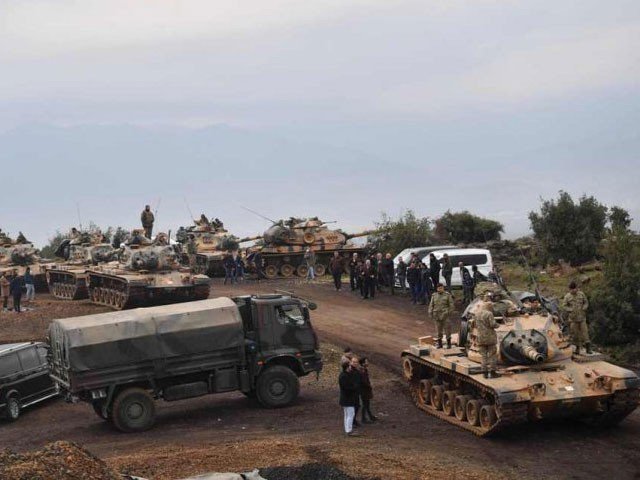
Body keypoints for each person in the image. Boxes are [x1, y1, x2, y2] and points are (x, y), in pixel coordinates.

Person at [562, 281, 591, 354]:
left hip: (582, 317)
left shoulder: (581, 294)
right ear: (569, 289)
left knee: (585, 333)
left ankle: (588, 348)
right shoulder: (567, 296)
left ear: (576, 288)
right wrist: (570, 310)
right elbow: (564, 306)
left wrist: (584, 308)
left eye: (574, 289)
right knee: (575, 334)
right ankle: (577, 348)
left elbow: (586, 302)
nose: (573, 290)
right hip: (573, 319)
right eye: (571, 289)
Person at [475, 294, 499, 378]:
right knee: (492, 354)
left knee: (483, 356)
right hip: (490, 338)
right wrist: (497, 325)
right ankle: (492, 372)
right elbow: (492, 324)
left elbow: (475, 325)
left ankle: (484, 372)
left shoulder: (477, 314)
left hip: (480, 337)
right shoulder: (489, 314)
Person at [339, 356, 362, 437]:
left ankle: (347, 429)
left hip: (346, 399)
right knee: (350, 415)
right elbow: (346, 388)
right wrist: (354, 387)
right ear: (346, 367)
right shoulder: (344, 376)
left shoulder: (344, 375)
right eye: (349, 366)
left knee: (347, 415)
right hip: (348, 399)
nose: (350, 367)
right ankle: (349, 430)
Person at [428, 283, 454, 348]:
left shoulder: (447, 295)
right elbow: (431, 305)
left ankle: (449, 343)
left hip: (445, 315)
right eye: (439, 288)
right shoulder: (434, 296)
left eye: (441, 288)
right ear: (437, 289)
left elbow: (451, 306)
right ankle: (440, 344)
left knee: (447, 330)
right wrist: (430, 313)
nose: (440, 289)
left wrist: (448, 313)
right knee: (438, 331)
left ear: (443, 288)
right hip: (437, 316)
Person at [359, 357, 376, 424]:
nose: (367, 363)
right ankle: (363, 419)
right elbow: (364, 381)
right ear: (363, 363)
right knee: (365, 404)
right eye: (366, 362)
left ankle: (370, 416)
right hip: (364, 390)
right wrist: (369, 386)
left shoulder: (364, 370)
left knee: (367, 404)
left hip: (365, 390)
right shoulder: (362, 371)